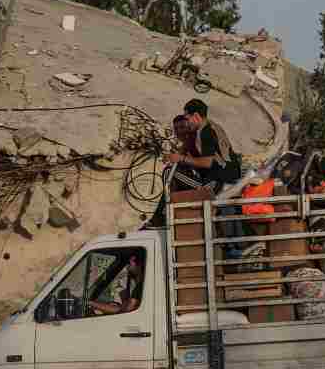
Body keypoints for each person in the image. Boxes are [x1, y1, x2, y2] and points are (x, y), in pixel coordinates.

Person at [165, 99, 246, 255]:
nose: (186, 123)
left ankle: (197, 192)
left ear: (195, 116)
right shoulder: (206, 129)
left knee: (172, 174)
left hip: (220, 178)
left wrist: (181, 159)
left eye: (187, 118)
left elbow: (208, 163)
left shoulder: (207, 131)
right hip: (222, 175)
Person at [89, 250, 145, 316]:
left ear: (139, 265)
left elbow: (125, 311)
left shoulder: (141, 286)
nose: (127, 267)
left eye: (129, 263)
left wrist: (91, 303)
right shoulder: (140, 285)